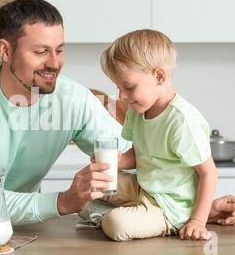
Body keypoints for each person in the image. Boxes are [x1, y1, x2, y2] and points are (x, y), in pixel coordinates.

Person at [0, 0, 235, 228]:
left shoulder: (72, 98)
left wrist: (188, 209)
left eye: (59, 50)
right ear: (5, 50)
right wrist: (63, 203)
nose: (54, 63)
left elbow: (131, 155)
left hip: (20, 227)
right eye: (40, 51)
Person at [84, 29, 222, 241]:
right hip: (144, 188)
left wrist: (198, 221)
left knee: (116, 225)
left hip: (170, 205)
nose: (121, 95)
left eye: (128, 87)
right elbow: (139, 154)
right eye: (118, 87)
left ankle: (164, 220)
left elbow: (208, 173)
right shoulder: (137, 110)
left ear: (159, 76)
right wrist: (116, 162)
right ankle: (128, 213)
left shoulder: (182, 120)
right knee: (88, 188)